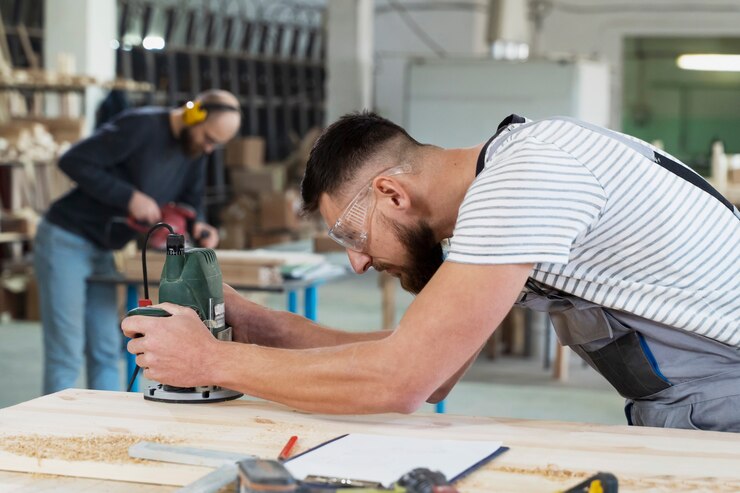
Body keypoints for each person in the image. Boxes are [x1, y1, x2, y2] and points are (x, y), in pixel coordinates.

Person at [122, 112, 740, 431]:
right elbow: (433, 365)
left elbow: (405, 381)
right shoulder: (507, 182)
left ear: (392, 193)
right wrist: (263, 326)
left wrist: (210, 363)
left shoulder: (525, 181)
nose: (357, 261)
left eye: (351, 236)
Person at [36, 89, 241, 394]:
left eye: (216, 144)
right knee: (66, 350)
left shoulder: (194, 149)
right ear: (192, 114)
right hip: (67, 238)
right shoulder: (140, 127)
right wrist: (128, 197)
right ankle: (51, 435)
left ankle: (104, 431)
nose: (210, 148)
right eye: (209, 138)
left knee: (106, 348)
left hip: (106, 248)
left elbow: (191, 198)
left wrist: (199, 223)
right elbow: (73, 160)